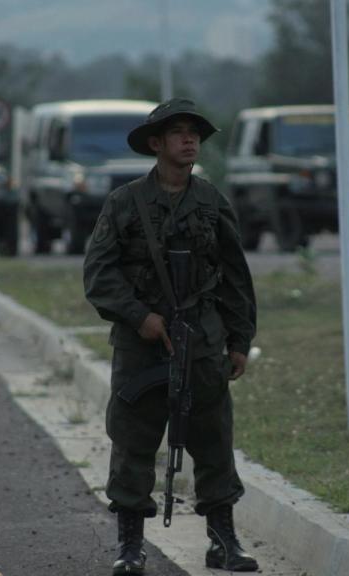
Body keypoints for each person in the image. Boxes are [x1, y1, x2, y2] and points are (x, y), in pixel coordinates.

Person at [83, 97, 259, 575]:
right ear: (156, 143)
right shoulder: (125, 203)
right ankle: (130, 546)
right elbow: (99, 274)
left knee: (213, 438)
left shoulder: (212, 202)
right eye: (179, 132)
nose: (189, 140)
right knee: (133, 441)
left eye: (194, 133)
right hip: (141, 344)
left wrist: (239, 341)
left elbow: (235, 277)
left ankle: (223, 541)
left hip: (201, 338)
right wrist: (140, 316)